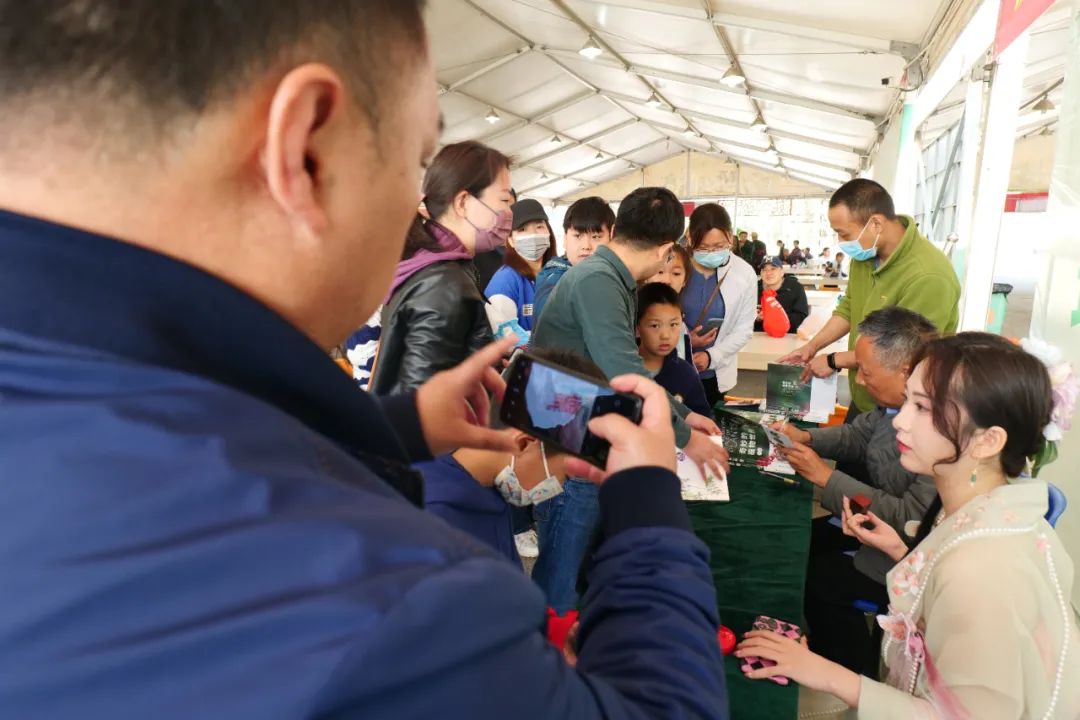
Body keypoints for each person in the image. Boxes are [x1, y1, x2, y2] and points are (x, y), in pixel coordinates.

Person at [0, 4, 733, 718]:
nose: (415, 211)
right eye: (415, 162)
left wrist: (391, 426)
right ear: (307, 149)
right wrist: (647, 507)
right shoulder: (382, 599)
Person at [738, 333, 1080, 718]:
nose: (900, 420)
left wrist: (823, 672)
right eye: (908, 401)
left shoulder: (982, 570)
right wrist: (899, 551)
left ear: (987, 441)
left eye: (922, 407)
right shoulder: (991, 510)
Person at [530, 187, 729, 613]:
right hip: (570, 443)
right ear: (665, 250)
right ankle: (547, 654)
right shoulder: (599, 282)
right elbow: (625, 375)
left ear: (617, 228)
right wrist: (683, 435)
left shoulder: (611, 276)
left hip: (587, 431)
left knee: (583, 558)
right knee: (563, 567)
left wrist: (686, 413)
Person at [772, 307, 939, 674]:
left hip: (905, 558)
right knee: (794, 542)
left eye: (865, 371)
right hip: (872, 533)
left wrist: (825, 478)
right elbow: (857, 436)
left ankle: (850, 673)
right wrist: (806, 437)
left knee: (820, 583)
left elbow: (911, 519)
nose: (860, 382)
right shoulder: (893, 407)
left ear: (907, 372)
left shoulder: (942, 434)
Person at [780, 179, 961, 416]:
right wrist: (812, 347)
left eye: (844, 234)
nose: (841, 243)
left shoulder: (928, 275)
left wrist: (834, 360)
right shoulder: (866, 255)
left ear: (875, 223)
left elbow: (903, 353)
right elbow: (849, 307)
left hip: (904, 408)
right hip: (866, 395)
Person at [415, 348, 599, 566]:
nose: (557, 487)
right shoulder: (433, 518)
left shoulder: (487, 489)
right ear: (524, 443)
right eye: (566, 476)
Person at [372, 140, 512, 394]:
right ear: (463, 203)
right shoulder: (443, 285)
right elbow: (424, 407)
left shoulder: (435, 269)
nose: (508, 211)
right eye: (504, 199)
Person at [683, 203, 758, 409]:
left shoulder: (744, 273)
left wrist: (710, 357)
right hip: (674, 366)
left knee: (710, 427)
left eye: (719, 247)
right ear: (690, 238)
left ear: (730, 236)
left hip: (714, 374)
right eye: (703, 248)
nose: (711, 253)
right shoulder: (676, 266)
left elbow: (743, 330)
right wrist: (684, 342)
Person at [533, 196, 614, 321]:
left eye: (596, 237)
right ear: (565, 239)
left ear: (611, 238)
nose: (586, 246)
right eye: (577, 236)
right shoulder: (554, 279)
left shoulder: (610, 275)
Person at [637, 282, 710, 417]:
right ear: (637, 328)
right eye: (655, 325)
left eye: (673, 324)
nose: (665, 335)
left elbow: (703, 419)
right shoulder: (621, 367)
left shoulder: (686, 374)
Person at [485, 198, 556, 336]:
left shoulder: (558, 272)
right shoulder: (505, 281)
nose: (533, 234)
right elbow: (503, 335)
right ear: (510, 240)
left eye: (539, 227)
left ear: (549, 232)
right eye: (522, 230)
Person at [646, 243, 692, 359]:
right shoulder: (636, 316)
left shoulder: (681, 322)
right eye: (660, 272)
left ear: (685, 280)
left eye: (676, 273)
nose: (667, 280)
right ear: (647, 274)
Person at [755, 256, 809, 334]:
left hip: (788, 337)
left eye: (773, 269)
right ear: (760, 273)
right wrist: (756, 318)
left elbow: (802, 318)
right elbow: (742, 319)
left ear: (782, 272)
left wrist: (775, 316)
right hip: (758, 337)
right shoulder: (754, 289)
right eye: (764, 270)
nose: (768, 273)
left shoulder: (795, 288)